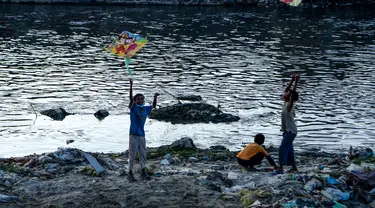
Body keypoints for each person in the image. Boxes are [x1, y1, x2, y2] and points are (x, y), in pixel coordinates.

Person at [128, 78, 160, 182]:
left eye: (142, 99)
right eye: (138, 99)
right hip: (133, 134)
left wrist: (155, 97)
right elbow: (130, 98)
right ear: (135, 100)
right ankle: (130, 172)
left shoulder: (145, 109)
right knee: (132, 154)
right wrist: (131, 85)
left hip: (142, 135)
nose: (140, 100)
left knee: (143, 154)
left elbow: (154, 106)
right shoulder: (133, 108)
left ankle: (143, 171)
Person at [277, 73, 300, 174]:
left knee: (282, 149)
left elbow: (292, 93)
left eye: (286, 94)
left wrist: (296, 82)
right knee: (289, 149)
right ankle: (293, 166)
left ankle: (281, 168)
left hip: (290, 132)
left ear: (289, 98)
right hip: (288, 131)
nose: (284, 94)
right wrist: (292, 80)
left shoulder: (289, 106)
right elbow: (287, 90)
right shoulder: (285, 103)